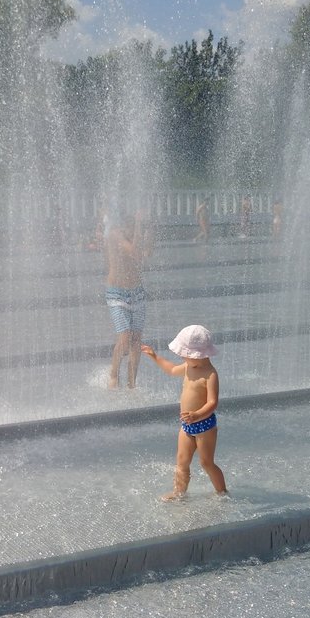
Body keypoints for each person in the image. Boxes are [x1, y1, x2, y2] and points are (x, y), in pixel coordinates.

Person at [141, 325, 227, 501]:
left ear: (197, 354)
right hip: (187, 425)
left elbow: (213, 402)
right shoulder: (189, 367)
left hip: (205, 426)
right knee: (182, 461)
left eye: (184, 354)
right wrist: (155, 356)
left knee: (206, 462)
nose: (181, 357)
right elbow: (172, 370)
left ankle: (222, 493)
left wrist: (197, 415)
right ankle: (179, 493)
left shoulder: (210, 375)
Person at [105, 211, 153, 389]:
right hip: (117, 294)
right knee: (124, 337)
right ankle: (113, 374)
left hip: (137, 293)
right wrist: (140, 228)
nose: (132, 231)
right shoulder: (115, 234)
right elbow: (134, 252)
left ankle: (132, 381)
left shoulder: (135, 236)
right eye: (131, 227)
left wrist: (151, 232)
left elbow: (146, 253)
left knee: (136, 339)